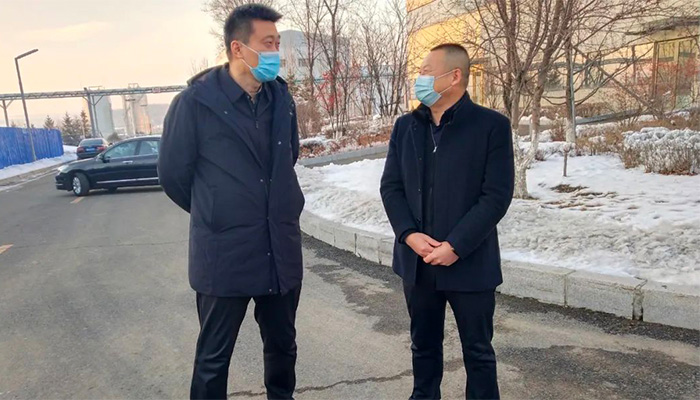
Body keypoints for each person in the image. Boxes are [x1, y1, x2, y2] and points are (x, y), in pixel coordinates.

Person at [158, 4, 304, 400]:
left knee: (283, 348)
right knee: (213, 358)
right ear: (238, 48)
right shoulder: (195, 103)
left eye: (277, 43)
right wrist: (218, 211)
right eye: (268, 43)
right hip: (223, 253)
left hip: (279, 248)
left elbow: (288, 157)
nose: (276, 52)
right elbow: (173, 176)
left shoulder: (281, 99)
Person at [380, 43, 515, 400]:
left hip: (470, 261)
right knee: (423, 347)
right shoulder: (407, 127)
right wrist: (409, 235)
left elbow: (496, 195)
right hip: (419, 262)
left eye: (426, 71)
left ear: (454, 76)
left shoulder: (491, 126)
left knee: (478, 352)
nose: (419, 79)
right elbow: (391, 187)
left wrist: (456, 245)